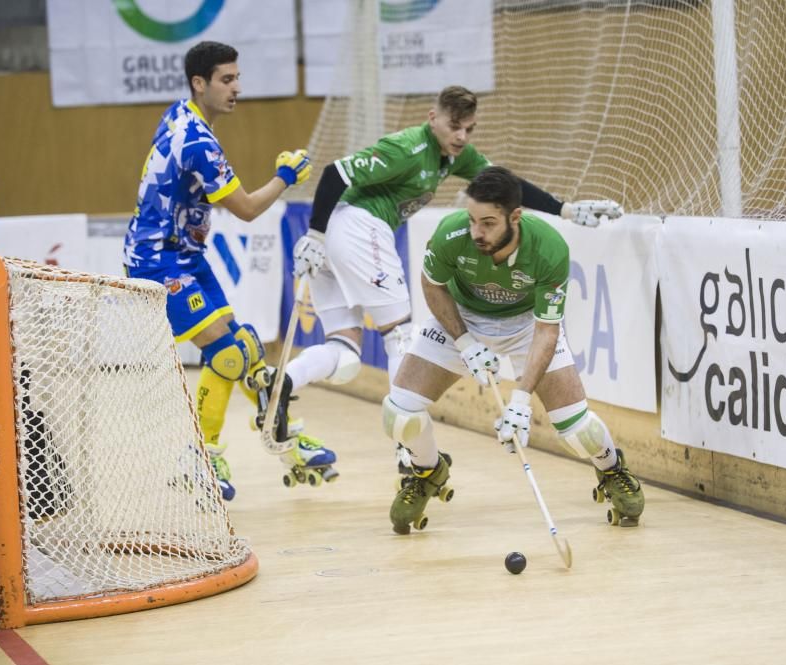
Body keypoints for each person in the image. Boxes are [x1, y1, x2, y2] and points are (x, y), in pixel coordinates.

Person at [284, 85, 623, 433]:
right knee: (399, 334)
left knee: (345, 351)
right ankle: (407, 444)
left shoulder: (458, 156)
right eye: (454, 126)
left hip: (347, 232)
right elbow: (335, 173)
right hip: (357, 224)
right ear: (433, 119)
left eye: (469, 129)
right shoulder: (407, 148)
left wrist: (565, 209)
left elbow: (508, 187)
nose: (461, 136)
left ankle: (283, 383)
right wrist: (316, 234)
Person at [123, 41, 335, 502]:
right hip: (158, 259)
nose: (237, 87)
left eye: (237, 77)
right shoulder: (197, 140)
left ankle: (285, 438)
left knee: (244, 348)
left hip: (185, 256)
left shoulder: (183, 115)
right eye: (226, 79)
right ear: (199, 83)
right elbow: (247, 210)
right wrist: (286, 175)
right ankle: (199, 457)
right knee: (226, 355)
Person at [380, 166, 644, 535]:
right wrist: (465, 342)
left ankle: (612, 468)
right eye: (473, 220)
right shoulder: (452, 234)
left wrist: (520, 400)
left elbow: (547, 329)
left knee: (577, 430)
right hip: (463, 317)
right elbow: (432, 284)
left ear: (515, 217)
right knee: (398, 412)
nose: (477, 232)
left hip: (525, 325)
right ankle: (427, 471)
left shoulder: (549, 249)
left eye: (488, 223)